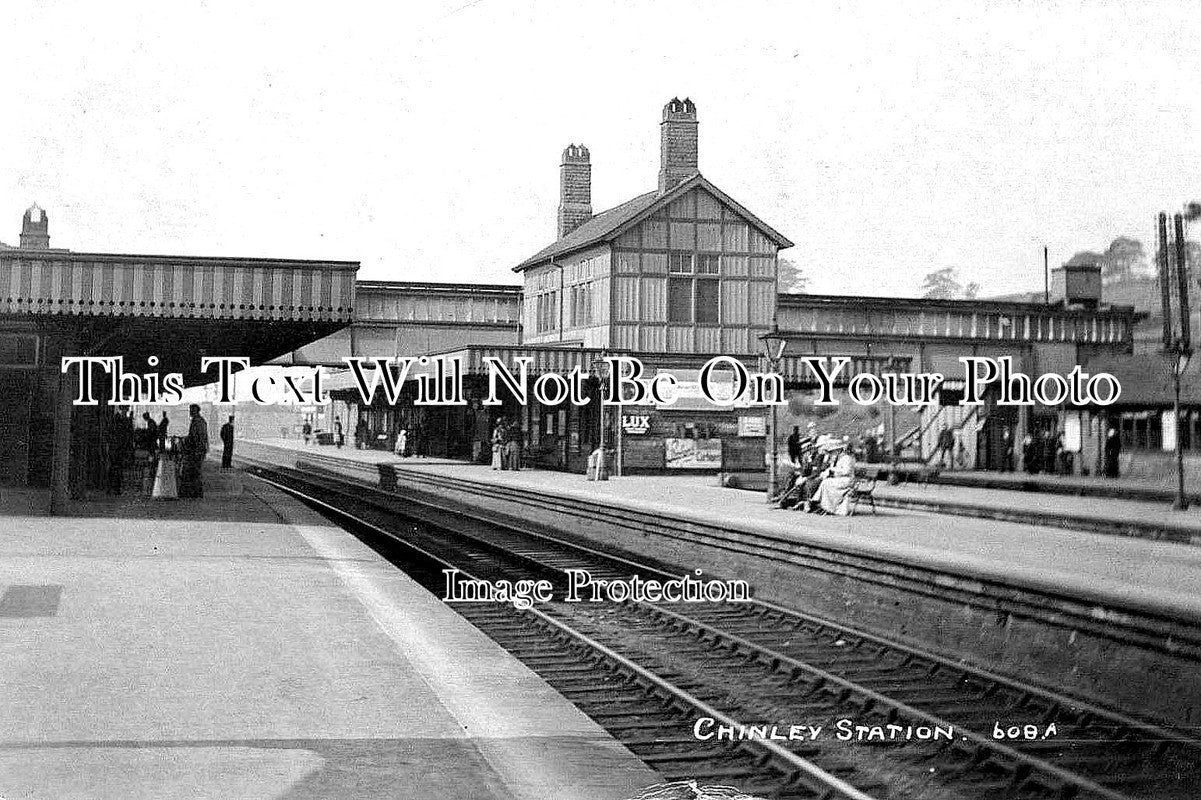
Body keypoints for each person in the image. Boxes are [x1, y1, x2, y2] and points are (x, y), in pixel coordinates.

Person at [815, 442, 857, 515]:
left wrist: (833, 469)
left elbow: (846, 471)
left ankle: (820, 502)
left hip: (847, 480)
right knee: (826, 482)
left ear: (839, 450)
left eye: (834, 451)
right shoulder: (840, 459)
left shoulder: (847, 458)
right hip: (841, 479)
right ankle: (825, 506)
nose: (833, 453)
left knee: (826, 483)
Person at [178, 404, 209, 498]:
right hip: (198, 450)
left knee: (194, 472)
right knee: (195, 472)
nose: (190, 412)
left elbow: (196, 437)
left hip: (196, 451)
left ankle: (195, 493)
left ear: (196, 411)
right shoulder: (200, 421)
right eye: (190, 410)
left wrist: (185, 442)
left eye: (192, 410)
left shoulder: (197, 422)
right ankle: (195, 493)